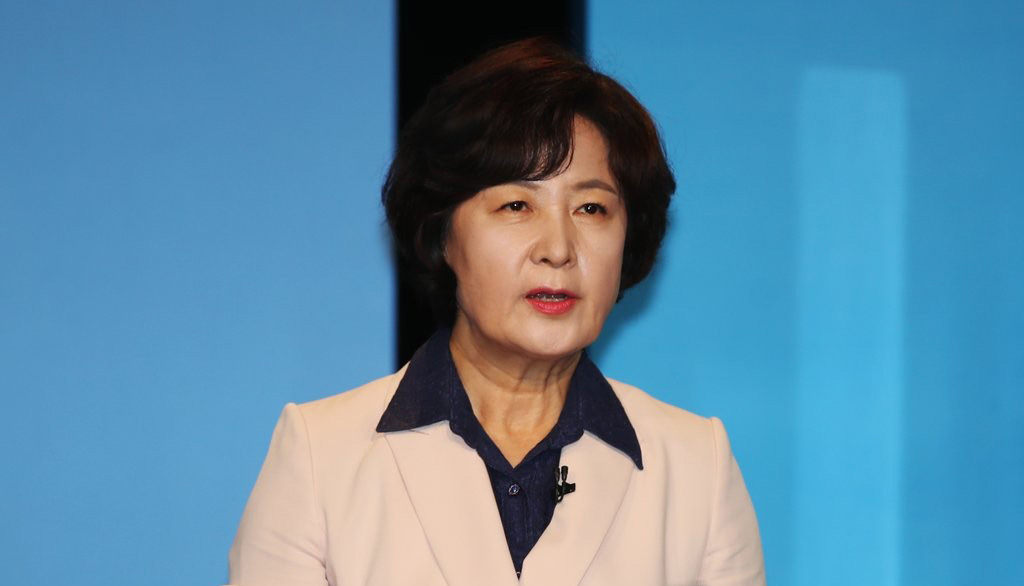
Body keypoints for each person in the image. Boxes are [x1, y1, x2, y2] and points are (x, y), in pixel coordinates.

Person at [227, 38, 765, 586]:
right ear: (443, 233)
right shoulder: (321, 458)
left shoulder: (697, 469)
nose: (558, 248)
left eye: (591, 208)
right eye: (516, 205)